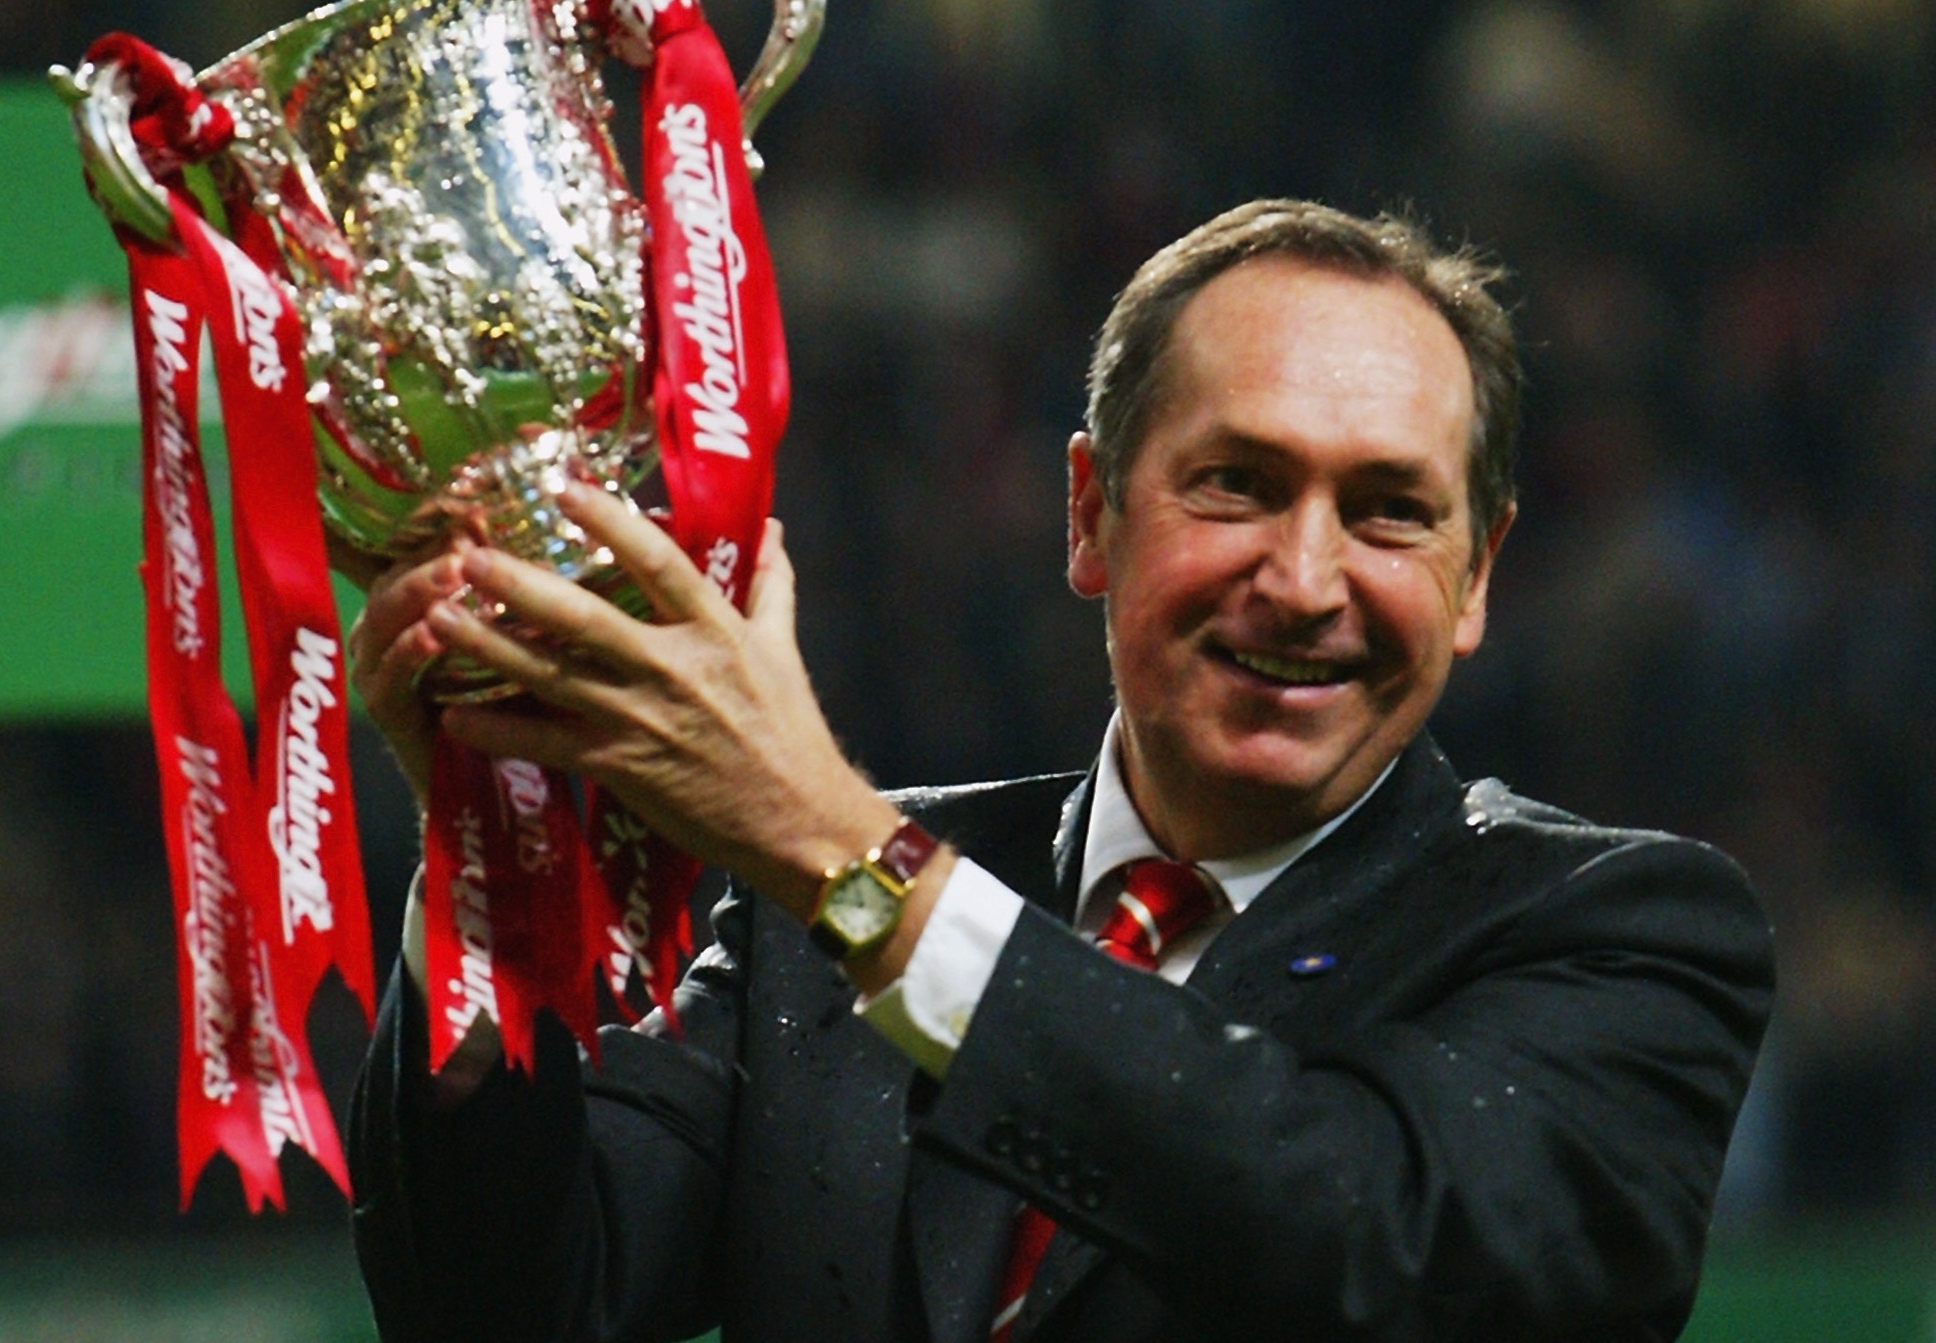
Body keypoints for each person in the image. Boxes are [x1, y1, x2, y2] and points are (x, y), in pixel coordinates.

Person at [345, 200, 1772, 1342]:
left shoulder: (1622, 942)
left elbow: (1363, 1243)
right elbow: (520, 1309)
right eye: (1240, 483)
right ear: (1089, 513)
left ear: (1478, 576)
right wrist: (496, 870)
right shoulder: (802, 930)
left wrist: (849, 864)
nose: (1306, 577)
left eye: (1391, 511)